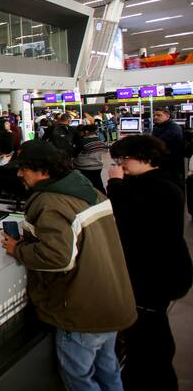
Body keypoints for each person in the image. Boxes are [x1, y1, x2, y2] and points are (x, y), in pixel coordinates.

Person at [1, 141, 136, 391]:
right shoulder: (90, 190)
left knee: (79, 378)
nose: (19, 173)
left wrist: (17, 249)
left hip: (82, 311)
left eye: (24, 168)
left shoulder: (50, 202)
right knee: (108, 370)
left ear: (43, 170)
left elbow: (57, 257)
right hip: (111, 301)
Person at [107, 135, 192, 390]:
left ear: (144, 157)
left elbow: (127, 219)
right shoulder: (160, 182)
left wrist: (114, 184)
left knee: (149, 334)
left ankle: (153, 380)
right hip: (161, 270)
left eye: (123, 159)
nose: (120, 164)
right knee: (149, 331)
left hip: (155, 275)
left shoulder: (156, 189)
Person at [151, 107, 185, 182]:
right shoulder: (157, 127)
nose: (155, 117)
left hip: (172, 165)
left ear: (167, 116)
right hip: (161, 161)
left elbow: (158, 142)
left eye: (159, 115)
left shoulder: (174, 127)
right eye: (154, 115)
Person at [73, 125, 106, 193]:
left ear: (86, 132)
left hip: (84, 167)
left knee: (84, 185)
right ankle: (103, 198)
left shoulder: (83, 142)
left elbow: (74, 154)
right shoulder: (100, 141)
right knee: (98, 184)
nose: (80, 133)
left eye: (81, 132)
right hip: (98, 166)